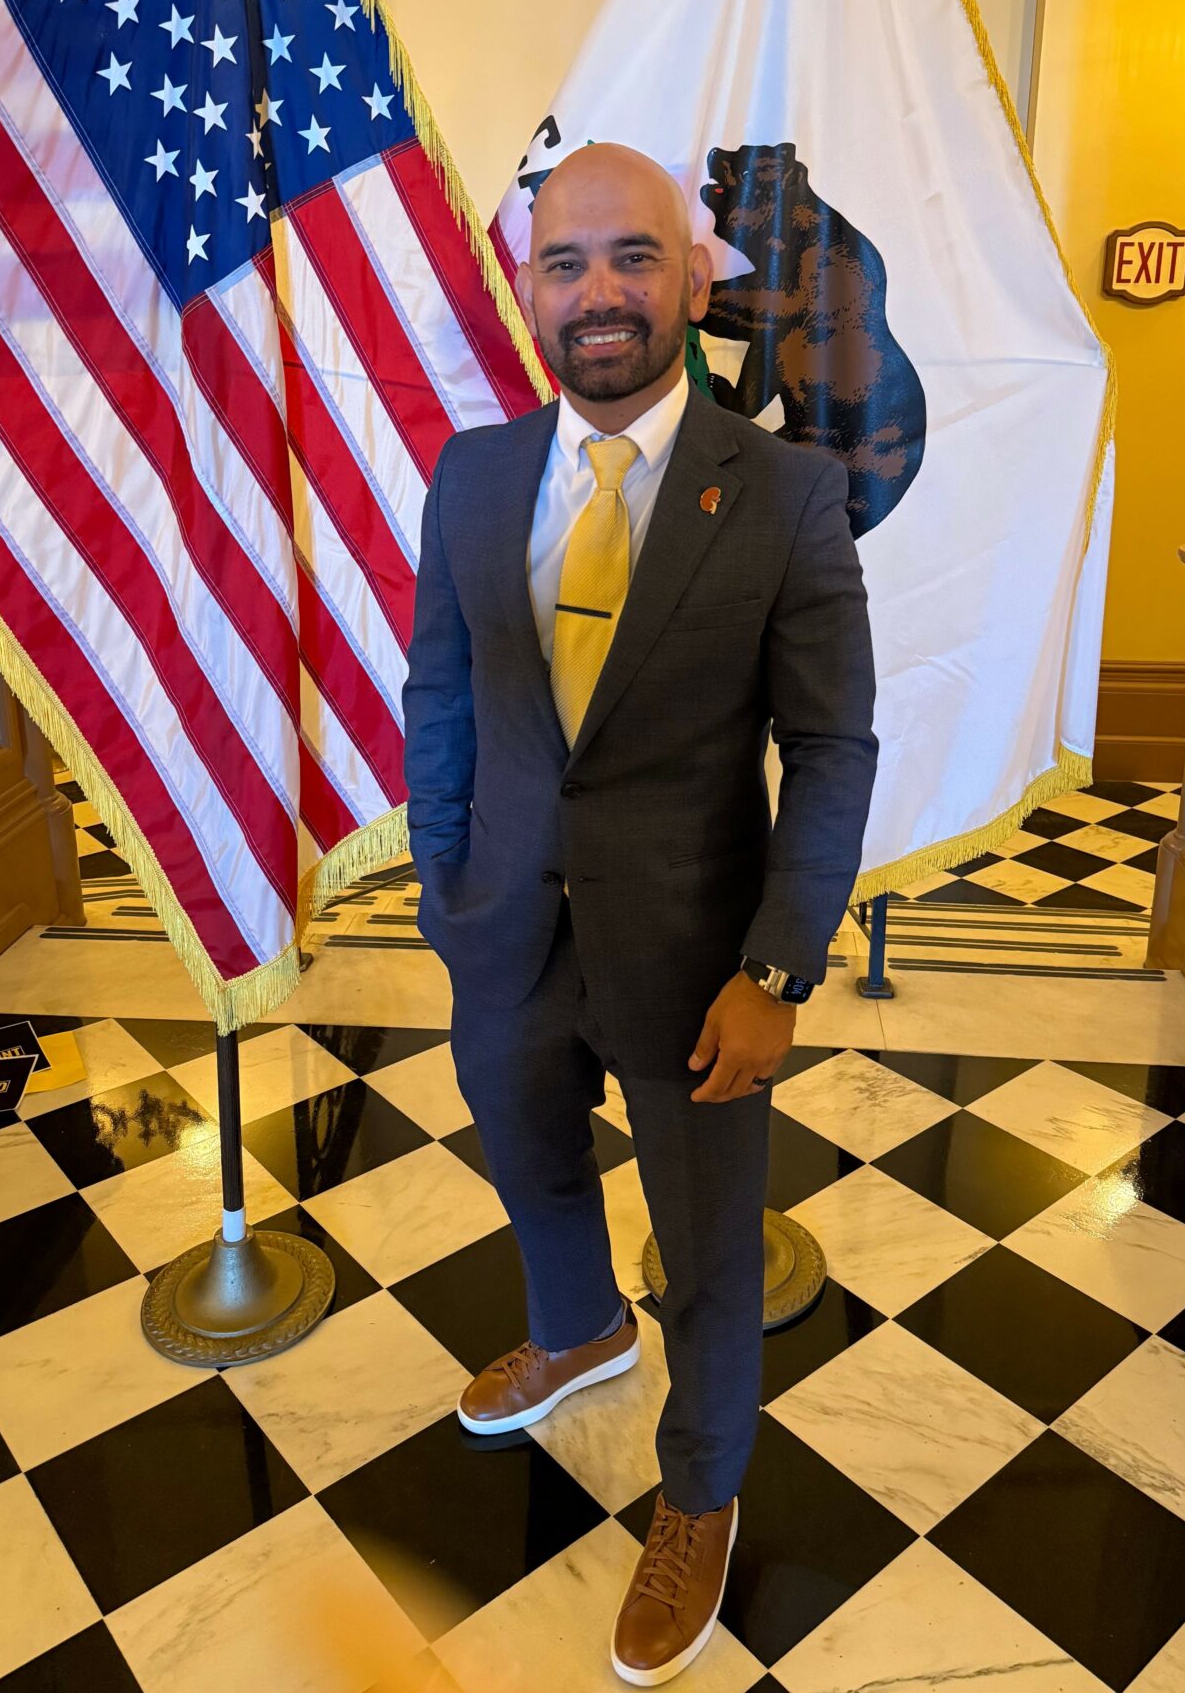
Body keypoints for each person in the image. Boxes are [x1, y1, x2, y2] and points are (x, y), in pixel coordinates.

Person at [402, 143, 877, 1685]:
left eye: (631, 258)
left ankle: (701, 1491)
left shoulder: (788, 492)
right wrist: (444, 867)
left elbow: (832, 746)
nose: (598, 293)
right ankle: (576, 1328)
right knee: (533, 1166)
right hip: (504, 937)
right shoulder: (471, 475)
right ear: (531, 287)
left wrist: (780, 965)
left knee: (709, 1247)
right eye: (566, 263)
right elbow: (447, 689)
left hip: (695, 962)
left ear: (690, 276)